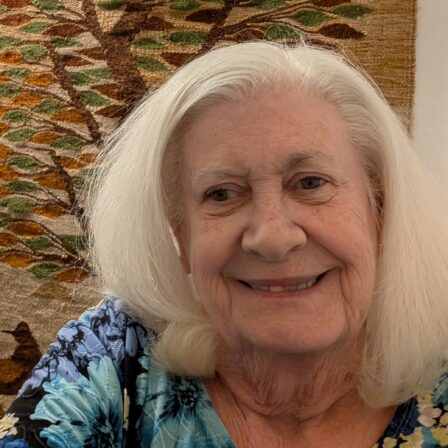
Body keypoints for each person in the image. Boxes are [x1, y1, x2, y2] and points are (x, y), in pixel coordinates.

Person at [1, 41, 448, 448]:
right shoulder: (114, 353)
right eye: (222, 194)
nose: (272, 237)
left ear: (380, 212)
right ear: (181, 238)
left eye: (310, 182)